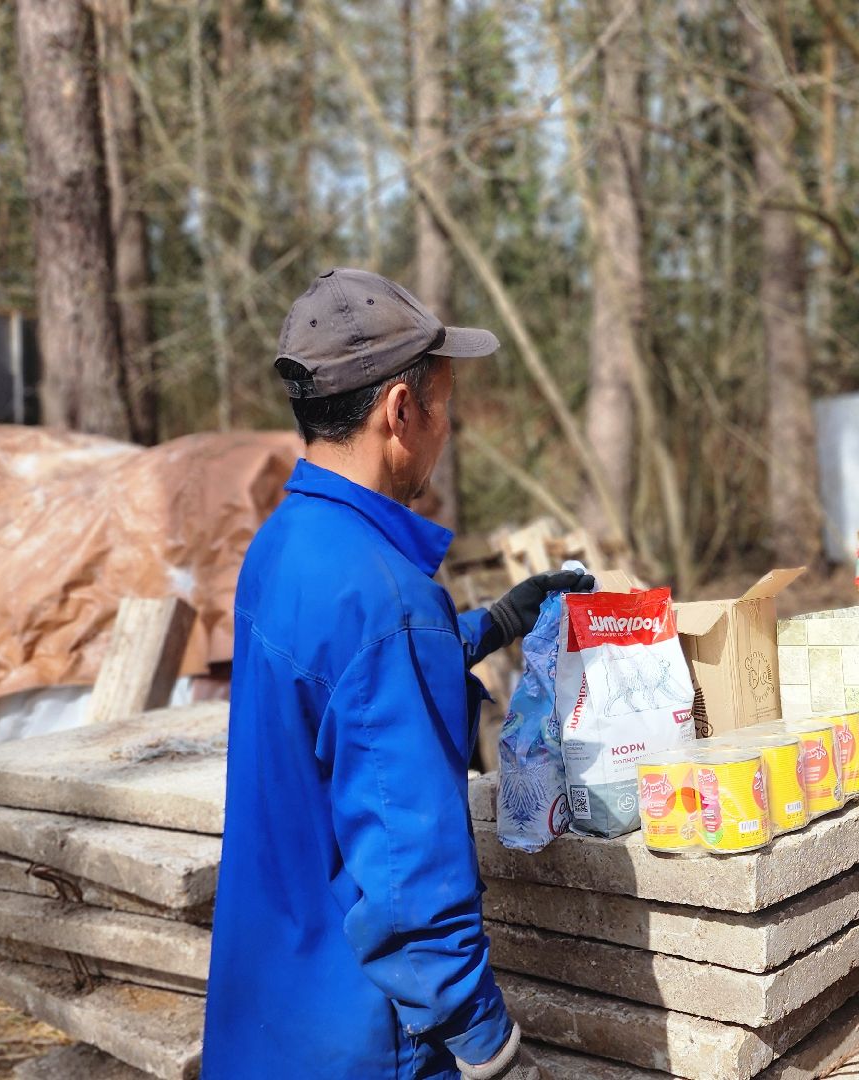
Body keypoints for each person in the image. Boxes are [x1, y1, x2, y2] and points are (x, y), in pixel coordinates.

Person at [205, 269, 582, 1079]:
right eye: (445, 406)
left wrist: (492, 624)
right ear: (400, 411)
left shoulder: (283, 544)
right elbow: (410, 870)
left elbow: (343, 688)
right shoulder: (387, 601)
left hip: (272, 1008)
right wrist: (488, 1047)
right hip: (367, 1040)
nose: (448, 428)